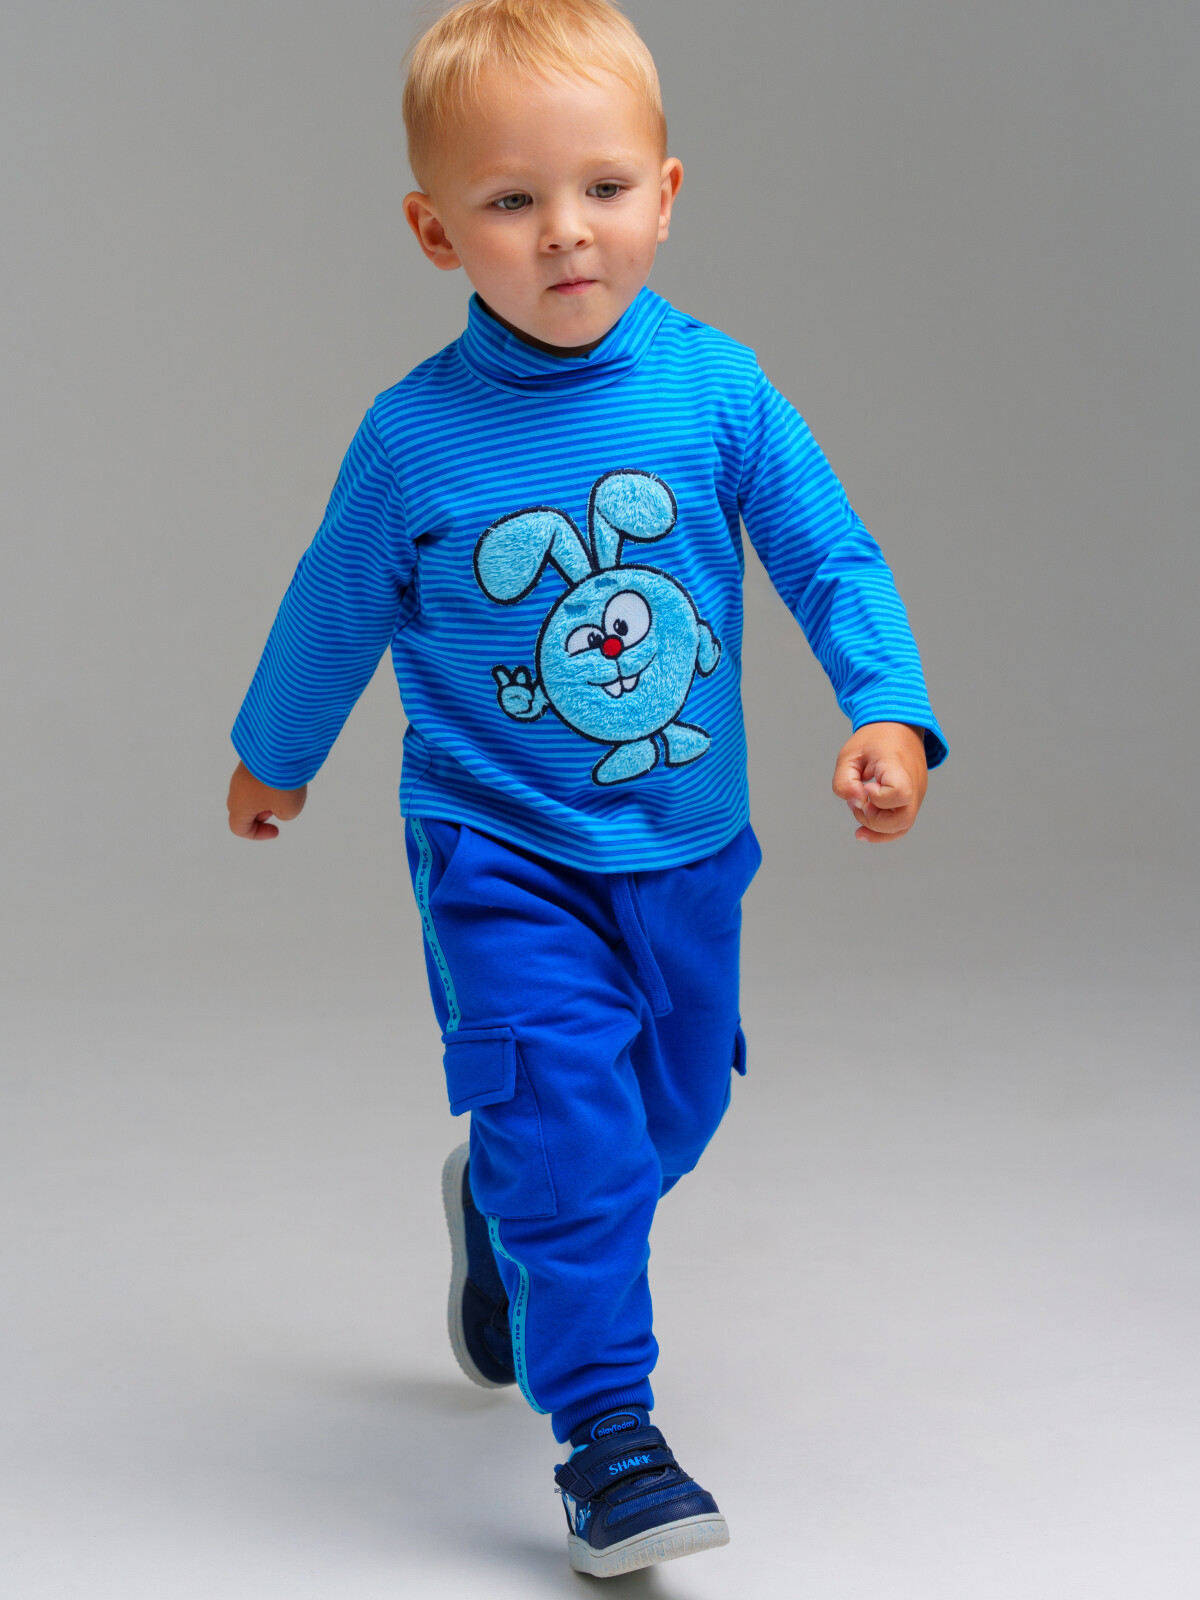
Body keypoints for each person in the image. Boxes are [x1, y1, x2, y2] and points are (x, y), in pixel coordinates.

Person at [226, 0, 947, 1577]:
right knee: (576, 1130)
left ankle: (505, 1218)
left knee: (668, 1115)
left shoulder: (717, 390)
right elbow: (333, 605)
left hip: (684, 854)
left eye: (603, 189)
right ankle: (609, 1441)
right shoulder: (414, 441)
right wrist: (276, 754)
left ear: (666, 196)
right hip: (501, 852)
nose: (566, 232)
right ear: (437, 233)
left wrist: (888, 706)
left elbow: (831, 556)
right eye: (511, 200)